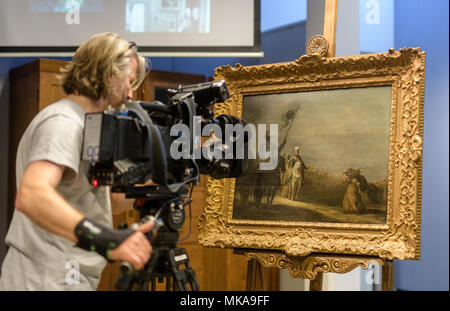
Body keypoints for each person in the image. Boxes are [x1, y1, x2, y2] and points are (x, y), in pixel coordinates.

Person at [0, 32, 154, 290]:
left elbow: (104, 201)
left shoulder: (87, 125)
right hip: (45, 279)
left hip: (68, 277)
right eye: (128, 82)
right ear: (108, 75)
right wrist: (108, 240)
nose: (130, 94)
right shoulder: (63, 122)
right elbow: (32, 195)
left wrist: (158, 180)